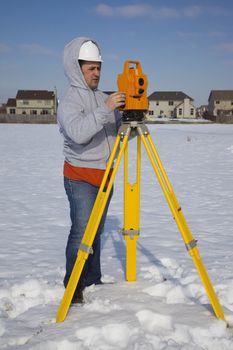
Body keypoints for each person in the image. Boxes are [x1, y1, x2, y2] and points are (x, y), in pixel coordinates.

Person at [57, 37, 126, 303]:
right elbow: (78, 134)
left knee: (95, 230)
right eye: (91, 68)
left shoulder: (102, 97)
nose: (97, 73)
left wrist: (131, 119)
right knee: (82, 231)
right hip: (80, 177)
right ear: (77, 68)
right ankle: (73, 287)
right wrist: (105, 109)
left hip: (104, 177)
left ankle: (92, 278)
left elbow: (113, 133)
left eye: (98, 67)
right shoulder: (70, 101)